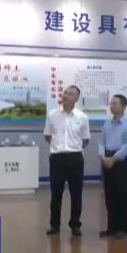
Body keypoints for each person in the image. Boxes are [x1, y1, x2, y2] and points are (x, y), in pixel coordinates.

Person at [44, 85, 91, 236]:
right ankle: (54, 225)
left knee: (76, 194)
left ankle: (75, 225)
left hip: (75, 158)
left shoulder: (82, 117)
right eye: (65, 92)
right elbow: (47, 136)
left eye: (70, 94)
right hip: (57, 158)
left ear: (76, 99)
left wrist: (73, 148)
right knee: (55, 194)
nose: (65, 95)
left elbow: (85, 140)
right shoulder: (52, 115)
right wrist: (58, 147)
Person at [99, 94, 127, 239]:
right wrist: (103, 156)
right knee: (109, 195)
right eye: (111, 103)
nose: (111, 106)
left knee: (122, 195)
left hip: (121, 162)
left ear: (123, 106)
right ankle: (111, 227)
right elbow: (101, 142)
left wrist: (114, 158)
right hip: (107, 160)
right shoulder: (107, 123)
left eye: (115, 103)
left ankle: (122, 228)